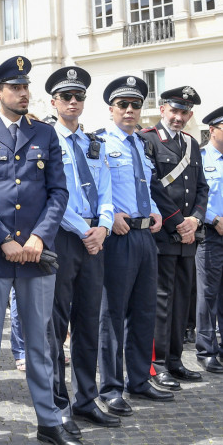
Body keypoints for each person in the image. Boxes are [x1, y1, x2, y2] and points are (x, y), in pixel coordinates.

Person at [0, 56, 75, 445]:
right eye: (15, 87)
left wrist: (39, 237)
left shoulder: (45, 134)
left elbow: (59, 191)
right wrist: (3, 240)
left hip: (36, 256)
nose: (24, 93)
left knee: (42, 346)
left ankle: (49, 422)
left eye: (26, 87)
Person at [44, 67, 119, 431]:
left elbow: (105, 190)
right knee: (56, 326)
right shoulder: (46, 140)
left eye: (79, 97)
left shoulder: (96, 143)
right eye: (66, 97)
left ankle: (87, 399)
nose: (73, 102)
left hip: (94, 240)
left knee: (88, 321)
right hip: (63, 237)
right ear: (54, 102)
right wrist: (86, 228)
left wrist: (103, 225)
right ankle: (58, 404)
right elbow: (53, 195)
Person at [96, 76, 173, 418]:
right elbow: (97, 188)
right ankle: (111, 387)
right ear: (111, 109)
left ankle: (139, 379)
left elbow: (147, 187)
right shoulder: (98, 143)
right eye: (123, 105)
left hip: (145, 236)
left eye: (135, 105)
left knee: (143, 311)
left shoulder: (140, 145)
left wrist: (156, 213)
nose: (129, 110)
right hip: (119, 236)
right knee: (112, 314)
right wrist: (108, 215)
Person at [140, 86, 209, 389]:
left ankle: (175, 360)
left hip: (188, 237)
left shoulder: (192, 144)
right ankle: (156, 364)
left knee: (182, 300)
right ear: (163, 109)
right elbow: (152, 186)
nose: (179, 117)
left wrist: (195, 219)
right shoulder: (148, 140)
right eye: (175, 110)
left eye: (185, 112)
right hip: (164, 236)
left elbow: (202, 188)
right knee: (161, 302)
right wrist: (178, 222)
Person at [194, 106, 223, 373]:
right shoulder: (201, 159)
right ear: (212, 130)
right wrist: (214, 219)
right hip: (211, 233)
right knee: (208, 294)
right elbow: (197, 197)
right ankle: (206, 349)